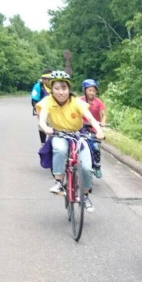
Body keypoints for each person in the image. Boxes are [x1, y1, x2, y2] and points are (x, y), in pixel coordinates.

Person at [36, 71, 105, 213]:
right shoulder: (47, 102)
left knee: (86, 167)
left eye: (64, 88)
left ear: (69, 88)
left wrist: (99, 131)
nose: (61, 92)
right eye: (56, 88)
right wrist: (46, 128)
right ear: (51, 89)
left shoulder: (76, 102)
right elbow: (42, 120)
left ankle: (85, 195)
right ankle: (59, 183)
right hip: (59, 134)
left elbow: (91, 119)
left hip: (78, 135)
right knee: (60, 150)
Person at [79, 79, 107, 178]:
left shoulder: (98, 102)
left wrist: (102, 122)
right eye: (90, 90)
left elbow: (103, 114)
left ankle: (97, 166)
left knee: (95, 146)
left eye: (94, 91)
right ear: (84, 90)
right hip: (80, 127)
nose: (92, 93)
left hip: (93, 128)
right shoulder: (80, 100)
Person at [31, 68, 53, 144]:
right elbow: (34, 99)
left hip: (55, 109)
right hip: (42, 109)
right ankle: (43, 143)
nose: (50, 81)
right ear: (43, 79)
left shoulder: (56, 85)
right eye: (48, 79)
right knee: (42, 126)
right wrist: (37, 110)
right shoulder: (38, 86)